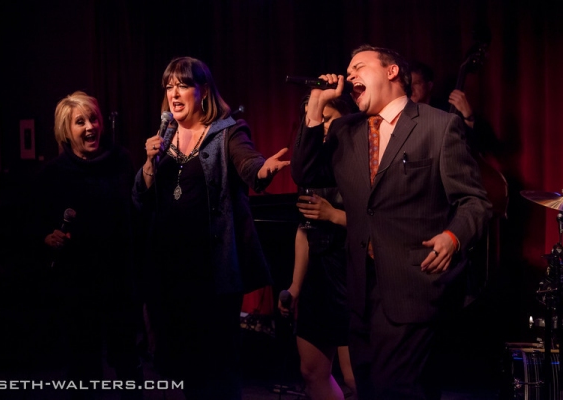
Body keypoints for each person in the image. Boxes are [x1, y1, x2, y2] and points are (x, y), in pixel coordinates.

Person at [291, 44, 492, 400]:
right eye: (348, 69)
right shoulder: (345, 131)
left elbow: (474, 201)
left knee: (396, 390)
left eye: (359, 67)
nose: (350, 74)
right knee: (367, 388)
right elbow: (305, 170)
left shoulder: (439, 126)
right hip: (359, 291)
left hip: (413, 287)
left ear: (391, 72)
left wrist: (453, 236)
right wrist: (316, 104)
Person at [132, 56, 290, 400]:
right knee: (183, 363)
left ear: (202, 91)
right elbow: (139, 199)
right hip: (170, 269)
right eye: (169, 86)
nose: (174, 93)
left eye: (183, 85)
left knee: (218, 364)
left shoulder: (227, 131)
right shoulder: (163, 138)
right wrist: (148, 163)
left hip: (212, 270)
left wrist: (264, 171)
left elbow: (249, 165)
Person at [29, 91, 141, 398]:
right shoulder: (54, 174)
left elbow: (137, 216)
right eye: (81, 122)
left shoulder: (121, 161)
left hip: (119, 280)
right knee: (83, 367)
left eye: (94, 118)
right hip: (77, 285)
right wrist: (45, 236)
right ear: (66, 130)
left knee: (128, 362)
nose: (91, 126)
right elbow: (32, 221)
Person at [279, 95, 357, 400]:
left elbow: (382, 224)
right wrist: (295, 287)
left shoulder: (363, 159)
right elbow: (304, 230)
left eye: (328, 118)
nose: (322, 126)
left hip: (350, 275)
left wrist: (334, 215)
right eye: (317, 119)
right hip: (319, 279)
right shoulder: (311, 167)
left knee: (355, 378)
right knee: (311, 372)